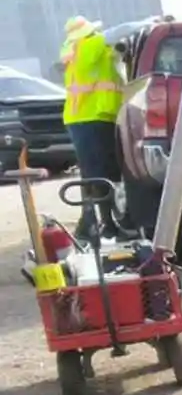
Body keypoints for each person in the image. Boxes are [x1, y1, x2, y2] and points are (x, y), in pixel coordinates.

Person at [59, 15, 126, 240]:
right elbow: (122, 29)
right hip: (92, 116)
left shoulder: (73, 49)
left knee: (94, 170)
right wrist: (156, 19)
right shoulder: (92, 45)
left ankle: (95, 221)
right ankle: (98, 223)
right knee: (99, 172)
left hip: (83, 117)